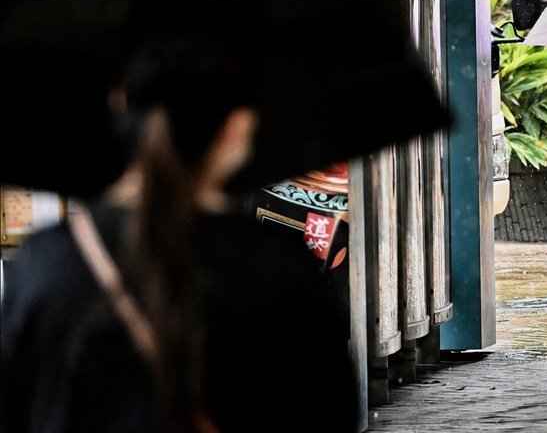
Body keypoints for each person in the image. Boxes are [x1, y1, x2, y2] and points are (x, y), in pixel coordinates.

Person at [1, 50, 358, 433]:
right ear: (236, 129)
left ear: (120, 109)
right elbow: (331, 412)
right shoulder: (281, 265)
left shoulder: (45, 264)